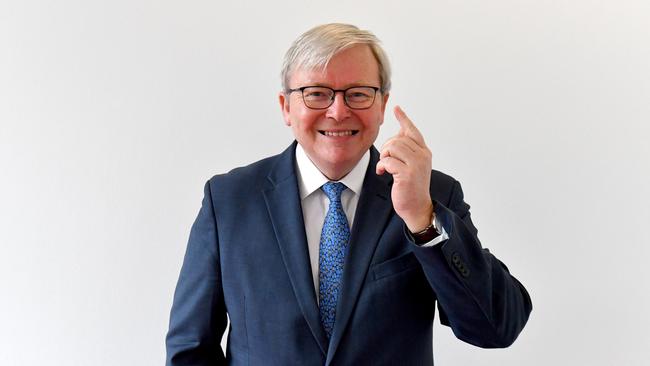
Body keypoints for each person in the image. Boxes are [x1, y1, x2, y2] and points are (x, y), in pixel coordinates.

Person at [165, 23, 532, 366]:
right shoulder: (229, 201)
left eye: (357, 94)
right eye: (317, 94)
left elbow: (496, 328)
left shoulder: (432, 194)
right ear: (286, 108)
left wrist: (423, 218)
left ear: (382, 105)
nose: (338, 112)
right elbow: (190, 350)